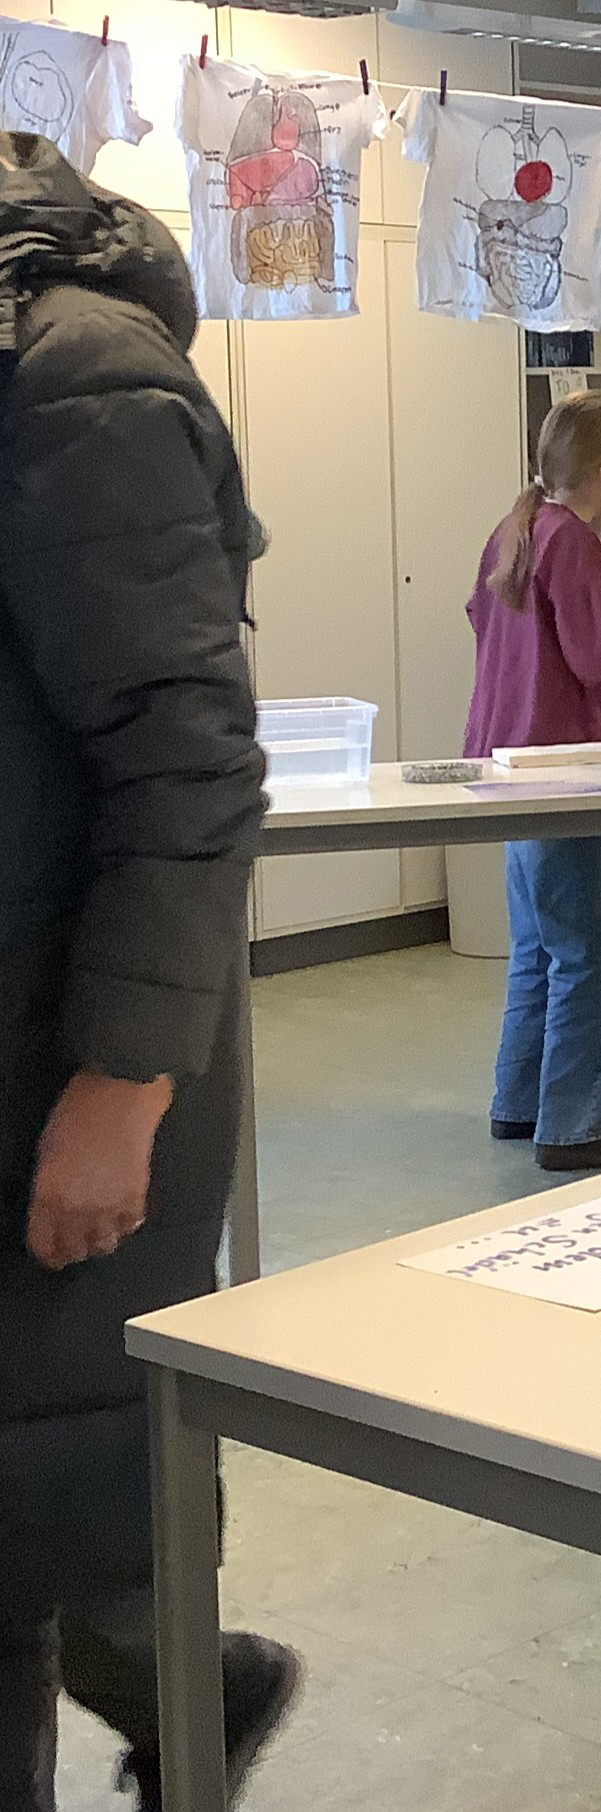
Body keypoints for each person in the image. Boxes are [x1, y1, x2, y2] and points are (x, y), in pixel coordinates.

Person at [0, 132, 299, 1811]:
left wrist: (120, 1084)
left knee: (48, 1483)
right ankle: (195, 1687)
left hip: (64, 1057)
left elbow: (187, 764)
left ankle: (194, 1691)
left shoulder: (75, 375)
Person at [463, 391, 601, 1171]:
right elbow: (598, 655)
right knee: (591, 954)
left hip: (506, 764)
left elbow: (486, 621)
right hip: (560, 769)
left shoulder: (515, 528)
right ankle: (577, 1125)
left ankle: (521, 1102)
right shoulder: (574, 542)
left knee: (539, 949)